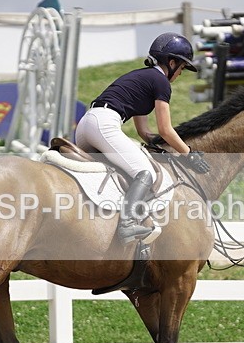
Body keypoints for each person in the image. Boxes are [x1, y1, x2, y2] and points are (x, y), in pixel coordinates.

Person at [74, 32, 211, 243]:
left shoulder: (143, 78)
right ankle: (127, 224)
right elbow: (165, 129)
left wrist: (158, 145)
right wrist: (189, 154)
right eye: (182, 67)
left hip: (86, 125)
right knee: (145, 172)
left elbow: (144, 132)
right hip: (104, 124)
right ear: (172, 62)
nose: (181, 73)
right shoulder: (161, 82)